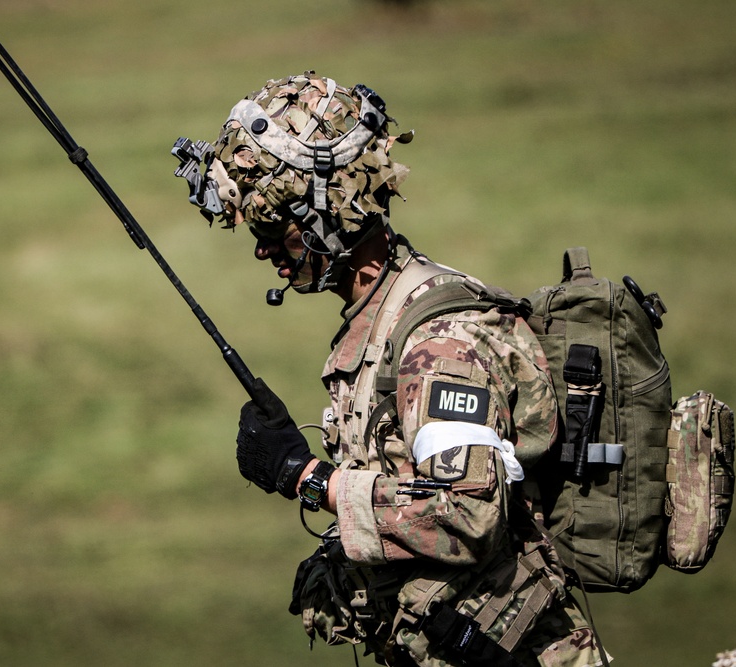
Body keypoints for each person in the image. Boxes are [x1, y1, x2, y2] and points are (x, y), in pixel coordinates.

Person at [172, 72, 608, 667]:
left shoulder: (438, 342)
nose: (261, 249)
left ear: (327, 215)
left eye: (274, 227)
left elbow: (466, 516)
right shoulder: (378, 317)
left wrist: (307, 478)